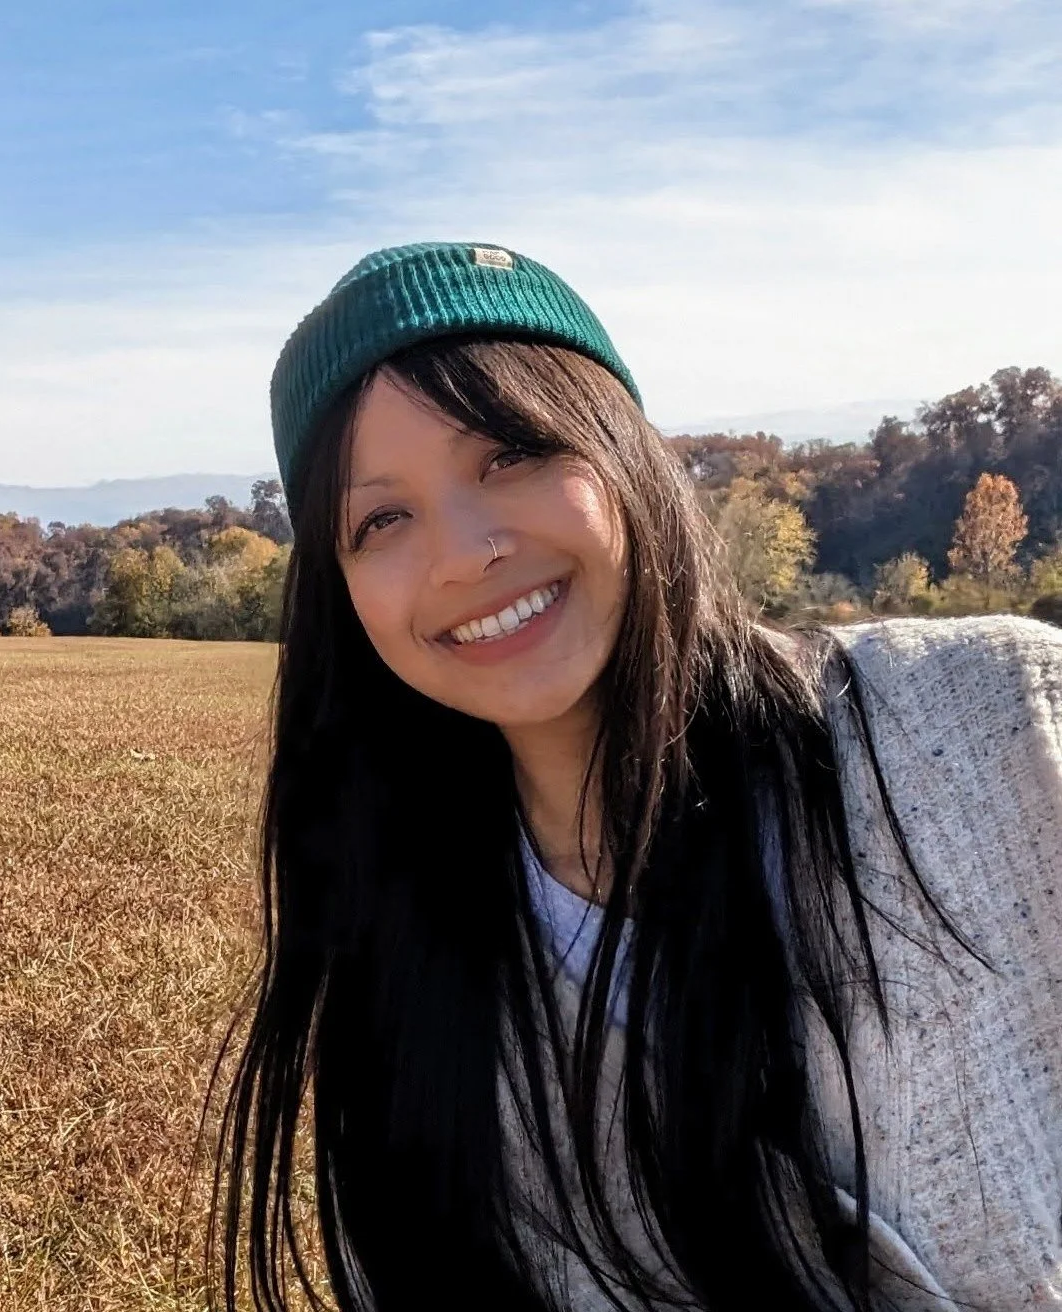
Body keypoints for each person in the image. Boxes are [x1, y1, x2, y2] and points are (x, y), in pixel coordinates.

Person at [205, 241, 1062, 1312]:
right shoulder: (403, 998)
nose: (465, 552)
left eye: (509, 453)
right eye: (382, 519)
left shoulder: (998, 722)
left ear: (624, 453)